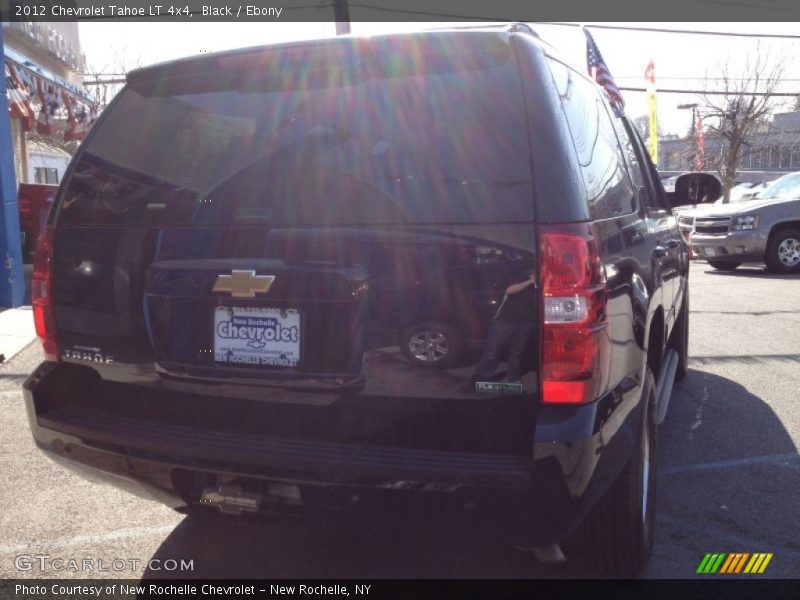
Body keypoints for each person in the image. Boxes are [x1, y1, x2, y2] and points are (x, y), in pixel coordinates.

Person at [472, 265, 537, 387]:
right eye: (535, 273)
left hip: (526, 324)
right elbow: (509, 290)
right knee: (492, 351)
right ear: (531, 273)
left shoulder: (539, 287)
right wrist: (530, 282)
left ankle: (513, 379)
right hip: (505, 321)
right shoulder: (520, 279)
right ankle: (482, 378)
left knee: (517, 353)